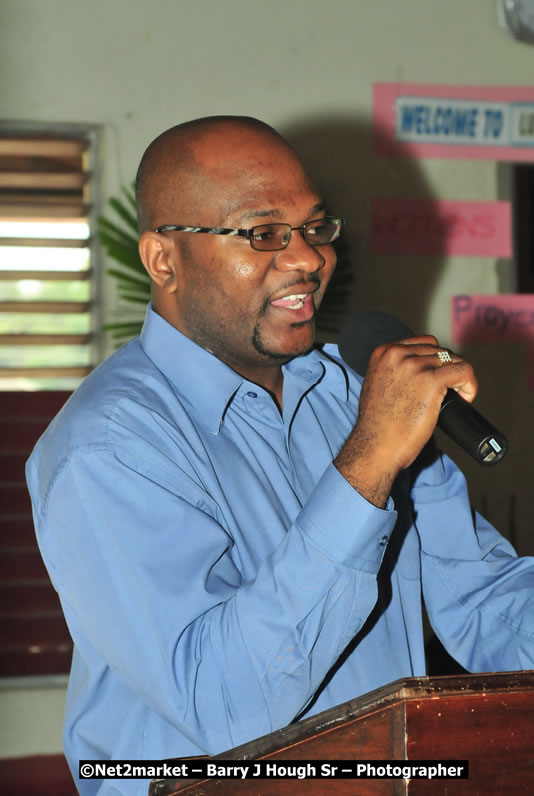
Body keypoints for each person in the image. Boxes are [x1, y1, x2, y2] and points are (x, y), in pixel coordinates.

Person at [26, 116, 534, 795]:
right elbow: (225, 711)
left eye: (315, 229)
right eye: (263, 233)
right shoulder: (107, 447)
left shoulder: (356, 399)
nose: (307, 259)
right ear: (163, 260)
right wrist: (365, 465)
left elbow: (484, 602)